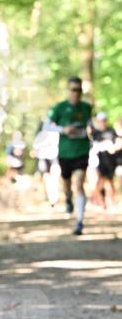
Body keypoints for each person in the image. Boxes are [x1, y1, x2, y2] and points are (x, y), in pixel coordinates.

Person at [46, 76, 93, 235]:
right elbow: (47, 126)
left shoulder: (87, 107)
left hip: (82, 150)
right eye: (73, 90)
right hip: (65, 152)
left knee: (79, 184)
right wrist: (63, 130)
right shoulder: (59, 108)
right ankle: (68, 198)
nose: (76, 93)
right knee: (67, 184)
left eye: (79, 90)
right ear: (68, 90)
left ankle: (79, 221)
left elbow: (90, 125)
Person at [90, 111, 117, 209]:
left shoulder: (111, 131)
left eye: (104, 120)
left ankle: (109, 202)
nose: (102, 122)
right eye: (100, 121)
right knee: (99, 181)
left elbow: (115, 144)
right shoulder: (95, 133)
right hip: (97, 161)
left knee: (109, 182)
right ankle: (101, 202)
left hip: (110, 161)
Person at [31, 119, 60, 207]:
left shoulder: (57, 133)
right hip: (44, 158)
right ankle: (51, 198)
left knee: (54, 178)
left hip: (54, 158)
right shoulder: (41, 135)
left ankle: (53, 197)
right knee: (48, 179)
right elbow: (35, 150)